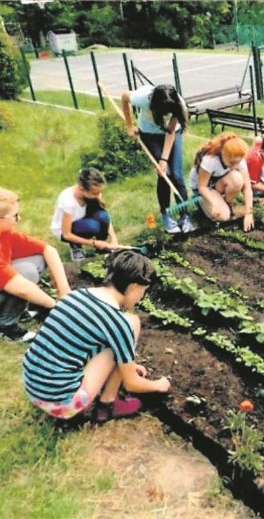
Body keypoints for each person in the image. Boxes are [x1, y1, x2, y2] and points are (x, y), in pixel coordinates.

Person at [23, 250, 171, 422]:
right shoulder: (117, 323)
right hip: (62, 405)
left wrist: (130, 365)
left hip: (32, 387)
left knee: (123, 329)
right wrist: (159, 385)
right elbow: (132, 384)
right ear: (133, 288)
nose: (142, 297)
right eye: (143, 291)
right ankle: (107, 405)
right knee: (130, 326)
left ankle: (119, 373)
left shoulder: (76, 295)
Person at [121, 84, 196, 234]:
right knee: (164, 174)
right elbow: (124, 96)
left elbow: (170, 133)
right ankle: (166, 215)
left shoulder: (177, 103)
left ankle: (184, 215)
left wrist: (164, 159)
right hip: (149, 134)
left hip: (173, 134)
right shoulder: (143, 98)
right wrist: (130, 125)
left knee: (176, 175)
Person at [0, 187, 71, 342]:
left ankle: (16, 311)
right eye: (14, 215)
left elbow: (48, 250)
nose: (18, 219)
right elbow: (22, 289)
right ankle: (6, 327)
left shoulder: (4, 233)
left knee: (38, 258)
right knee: (28, 272)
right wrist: (54, 307)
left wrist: (64, 291)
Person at [188, 133, 254, 232]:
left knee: (237, 179)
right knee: (223, 216)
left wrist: (249, 213)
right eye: (232, 163)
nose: (235, 166)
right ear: (222, 154)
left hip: (218, 184)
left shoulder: (239, 160)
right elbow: (202, 186)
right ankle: (203, 206)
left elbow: (247, 187)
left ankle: (226, 203)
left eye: (238, 162)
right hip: (203, 189)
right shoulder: (210, 160)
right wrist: (213, 202)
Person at [51, 167, 120, 262]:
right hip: (64, 230)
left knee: (103, 216)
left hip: (83, 219)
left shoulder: (91, 194)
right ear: (81, 188)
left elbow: (105, 217)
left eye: (100, 192)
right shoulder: (68, 201)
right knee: (92, 226)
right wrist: (94, 242)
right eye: (95, 193)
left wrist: (113, 238)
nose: (99, 195)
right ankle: (76, 247)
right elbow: (66, 234)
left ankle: (101, 247)